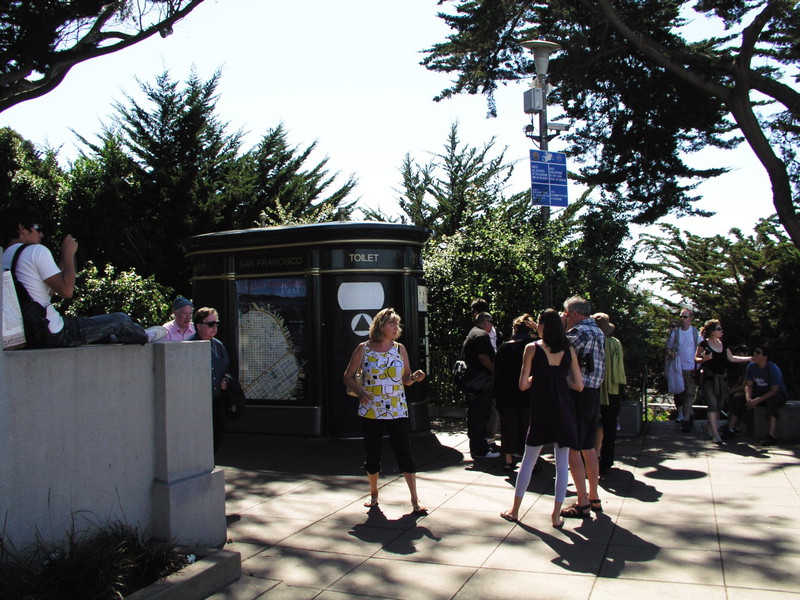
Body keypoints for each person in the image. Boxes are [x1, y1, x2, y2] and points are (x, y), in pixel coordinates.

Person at [1, 203, 164, 347]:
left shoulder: (5, 259)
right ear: (22, 228)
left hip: (31, 335)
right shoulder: (35, 251)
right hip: (54, 331)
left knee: (98, 330)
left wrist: (61, 265)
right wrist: (68, 255)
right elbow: (66, 291)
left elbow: (42, 295)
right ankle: (145, 336)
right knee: (120, 319)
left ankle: (114, 338)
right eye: (38, 228)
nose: (41, 235)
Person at [500, 309, 583, 528]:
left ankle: (515, 510)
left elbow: (523, 384)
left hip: (540, 409)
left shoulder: (531, 349)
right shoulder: (569, 349)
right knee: (562, 464)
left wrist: (539, 377)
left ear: (543, 326)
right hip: (564, 409)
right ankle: (556, 515)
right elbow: (579, 385)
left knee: (528, 459)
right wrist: (560, 380)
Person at [343, 308, 427, 513]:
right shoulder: (364, 349)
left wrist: (414, 377)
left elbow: (406, 380)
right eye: (392, 324)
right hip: (371, 409)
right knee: (373, 454)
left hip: (397, 409)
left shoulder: (400, 349)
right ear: (380, 326)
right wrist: (360, 392)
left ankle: (415, 501)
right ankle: (373, 494)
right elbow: (347, 375)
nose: (396, 328)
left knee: (404, 452)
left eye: (397, 324)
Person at [562, 296, 605, 517]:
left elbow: (555, 349)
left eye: (567, 314)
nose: (566, 318)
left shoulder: (579, 332)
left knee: (573, 448)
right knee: (588, 448)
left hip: (577, 393)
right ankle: (594, 495)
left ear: (575, 314)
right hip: (592, 393)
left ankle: (582, 501)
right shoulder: (598, 331)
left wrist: (559, 326)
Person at [694, 319, 751, 444]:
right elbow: (696, 359)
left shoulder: (723, 345)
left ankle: (710, 426)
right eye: (719, 329)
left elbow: (731, 358)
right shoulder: (704, 344)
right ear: (712, 331)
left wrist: (749, 358)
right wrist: (704, 358)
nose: (721, 331)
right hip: (709, 379)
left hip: (721, 380)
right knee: (713, 404)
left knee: (719, 405)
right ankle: (715, 434)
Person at [722, 345, 788, 445]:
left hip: (776, 394)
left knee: (772, 402)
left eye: (758, 352)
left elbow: (774, 390)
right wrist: (749, 399)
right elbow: (748, 386)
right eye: (755, 352)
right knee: (738, 398)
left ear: (765, 357)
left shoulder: (773, 369)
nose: (754, 354)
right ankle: (731, 429)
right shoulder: (751, 366)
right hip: (759, 391)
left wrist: (756, 401)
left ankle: (771, 435)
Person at [493, 314, 535, 471]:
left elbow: (497, 372)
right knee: (527, 427)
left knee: (508, 426)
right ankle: (530, 460)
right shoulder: (531, 346)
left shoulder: (504, 347)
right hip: (527, 392)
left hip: (506, 393)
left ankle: (508, 459)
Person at [190, 307, 230, 452]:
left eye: (216, 323)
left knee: (217, 435)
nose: (214, 328)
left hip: (217, 401)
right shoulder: (189, 346)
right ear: (199, 326)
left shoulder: (218, 345)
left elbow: (225, 368)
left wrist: (226, 381)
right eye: (210, 324)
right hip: (198, 404)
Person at [461, 311, 500, 459]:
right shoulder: (481, 336)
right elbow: (483, 357)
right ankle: (480, 449)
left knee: (474, 414)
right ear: (485, 322)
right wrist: (495, 370)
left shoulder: (473, 333)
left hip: (472, 382)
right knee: (481, 415)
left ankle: (476, 447)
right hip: (480, 382)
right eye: (490, 322)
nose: (492, 325)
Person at [593, 313, 626, 474]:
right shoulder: (615, 343)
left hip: (595, 389)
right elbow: (619, 370)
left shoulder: (593, 341)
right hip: (613, 389)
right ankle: (607, 460)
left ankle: (593, 458)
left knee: (593, 427)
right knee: (610, 426)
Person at [667, 308, 702, 431]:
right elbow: (669, 347)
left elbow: (701, 347)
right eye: (681, 316)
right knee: (681, 394)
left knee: (689, 394)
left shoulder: (695, 333)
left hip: (690, 368)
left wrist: (699, 362)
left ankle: (686, 420)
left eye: (685, 317)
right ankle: (689, 415)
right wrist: (671, 354)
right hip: (678, 368)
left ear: (691, 318)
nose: (682, 319)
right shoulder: (676, 333)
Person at [664, 319, 685, 416]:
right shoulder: (670, 338)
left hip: (683, 365)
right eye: (671, 326)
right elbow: (668, 353)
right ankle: (680, 413)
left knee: (685, 392)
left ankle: (686, 414)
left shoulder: (682, 336)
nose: (672, 329)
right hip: (673, 366)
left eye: (674, 326)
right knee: (676, 391)